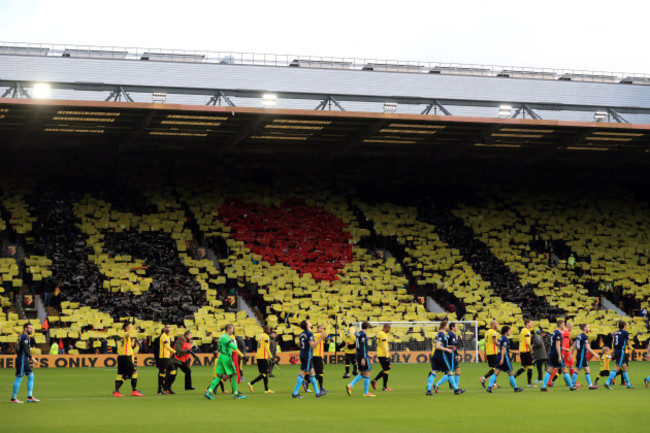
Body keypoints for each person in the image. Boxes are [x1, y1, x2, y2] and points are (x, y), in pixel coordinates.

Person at [204, 324, 247, 399]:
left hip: (220, 356)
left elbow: (218, 347)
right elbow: (234, 347)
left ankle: (209, 391)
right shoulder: (227, 338)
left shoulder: (221, 337)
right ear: (229, 329)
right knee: (234, 374)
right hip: (226, 357)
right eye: (232, 329)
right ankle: (236, 394)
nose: (233, 330)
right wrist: (233, 342)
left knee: (219, 376)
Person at [425, 320, 465, 396]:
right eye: (447, 325)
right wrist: (447, 349)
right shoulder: (441, 335)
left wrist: (449, 346)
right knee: (450, 372)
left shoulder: (441, 334)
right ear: (444, 326)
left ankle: (428, 390)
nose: (448, 327)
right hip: (441, 356)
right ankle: (456, 390)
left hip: (435, 356)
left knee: (433, 373)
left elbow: (442, 345)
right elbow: (438, 346)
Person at [292, 320, 328, 398]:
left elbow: (298, 344)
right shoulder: (309, 333)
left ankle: (318, 392)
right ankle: (295, 393)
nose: (309, 322)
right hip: (307, 355)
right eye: (308, 322)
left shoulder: (302, 334)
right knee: (303, 372)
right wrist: (321, 339)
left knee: (312, 373)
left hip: (303, 354)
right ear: (307, 325)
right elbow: (312, 345)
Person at [540, 319, 577, 392]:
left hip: (552, 353)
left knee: (550, 369)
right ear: (560, 325)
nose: (564, 326)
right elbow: (557, 345)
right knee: (564, 369)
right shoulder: (558, 334)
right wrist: (560, 356)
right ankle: (571, 386)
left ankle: (543, 386)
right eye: (563, 324)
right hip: (557, 354)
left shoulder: (553, 332)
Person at [486, 325, 524, 393]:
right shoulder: (506, 339)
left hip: (498, 357)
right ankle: (516, 388)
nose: (510, 332)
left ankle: (489, 387)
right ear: (506, 332)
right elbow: (503, 349)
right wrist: (502, 359)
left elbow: (505, 349)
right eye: (509, 331)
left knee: (495, 373)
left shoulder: (501, 338)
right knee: (511, 373)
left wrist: (515, 352)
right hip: (504, 359)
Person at [346, 321, 378, 397]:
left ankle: (350, 385)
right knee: (368, 372)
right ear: (367, 327)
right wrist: (364, 357)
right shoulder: (363, 335)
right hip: (362, 356)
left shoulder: (358, 334)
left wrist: (366, 354)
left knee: (363, 373)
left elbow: (359, 346)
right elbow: (362, 346)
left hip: (359, 355)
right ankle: (365, 392)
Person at [11, 323, 39, 403]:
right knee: (19, 378)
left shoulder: (23, 337)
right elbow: (26, 350)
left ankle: (30, 397)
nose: (31, 329)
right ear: (25, 329)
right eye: (30, 328)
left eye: (31, 328)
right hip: (22, 360)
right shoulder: (24, 337)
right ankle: (13, 398)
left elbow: (18, 349)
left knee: (31, 376)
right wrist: (33, 359)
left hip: (24, 360)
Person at [113, 322, 143, 397]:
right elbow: (127, 334)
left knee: (121, 374)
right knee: (134, 372)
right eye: (129, 327)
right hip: (125, 356)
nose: (130, 328)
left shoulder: (122, 335)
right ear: (126, 328)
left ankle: (116, 392)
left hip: (121, 356)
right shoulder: (125, 334)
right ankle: (134, 391)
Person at [604, 320, 634, 389]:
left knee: (625, 367)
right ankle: (607, 382)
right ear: (624, 326)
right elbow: (628, 343)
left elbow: (614, 343)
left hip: (617, 350)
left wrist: (613, 351)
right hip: (621, 351)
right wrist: (632, 349)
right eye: (626, 326)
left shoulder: (616, 333)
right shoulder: (625, 332)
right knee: (617, 367)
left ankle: (628, 384)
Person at [303, 321, 330, 394]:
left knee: (316, 373)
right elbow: (326, 334)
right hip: (318, 356)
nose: (322, 329)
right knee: (320, 373)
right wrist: (329, 325)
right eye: (321, 328)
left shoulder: (313, 335)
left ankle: (321, 387)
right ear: (317, 329)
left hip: (314, 356)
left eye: (323, 328)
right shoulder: (319, 335)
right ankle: (307, 382)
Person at [571, 324, 600, 390]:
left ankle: (590, 385)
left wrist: (571, 354)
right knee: (577, 370)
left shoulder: (579, 336)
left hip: (580, 355)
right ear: (584, 328)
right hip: (581, 355)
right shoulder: (584, 336)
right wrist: (595, 354)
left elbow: (574, 345)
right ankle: (572, 385)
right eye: (588, 327)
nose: (589, 328)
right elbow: (588, 348)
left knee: (587, 369)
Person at [248, 326, 275, 394]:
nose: (269, 330)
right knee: (265, 373)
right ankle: (251, 383)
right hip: (263, 357)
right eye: (268, 329)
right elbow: (266, 347)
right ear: (265, 330)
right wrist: (271, 356)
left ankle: (266, 389)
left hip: (259, 356)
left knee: (264, 373)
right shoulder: (266, 337)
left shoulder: (260, 336)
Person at [549, 322, 574, 387]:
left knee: (558, 368)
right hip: (564, 352)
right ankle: (573, 383)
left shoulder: (559, 332)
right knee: (569, 367)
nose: (572, 328)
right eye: (572, 327)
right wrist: (563, 352)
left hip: (558, 351)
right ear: (569, 326)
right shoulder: (566, 332)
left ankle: (549, 381)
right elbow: (563, 344)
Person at [372, 323, 393, 392]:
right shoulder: (384, 335)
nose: (389, 331)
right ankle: (384, 387)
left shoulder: (379, 333)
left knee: (385, 369)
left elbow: (378, 342)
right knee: (387, 369)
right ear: (386, 328)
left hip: (379, 353)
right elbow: (384, 345)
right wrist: (387, 356)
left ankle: (375, 381)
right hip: (383, 354)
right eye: (388, 329)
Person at [514, 317, 535, 387]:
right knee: (530, 366)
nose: (532, 324)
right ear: (527, 324)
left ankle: (514, 376)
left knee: (525, 367)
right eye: (531, 323)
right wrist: (531, 349)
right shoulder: (527, 331)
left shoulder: (522, 330)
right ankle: (529, 383)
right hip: (526, 351)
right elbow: (527, 342)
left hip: (522, 351)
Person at [479, 320, 500, 388]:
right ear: (493, 324)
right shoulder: (493, 332)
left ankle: (494, 384)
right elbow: (495, 342)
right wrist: (501, 345)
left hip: (488, 352)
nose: (497, 325)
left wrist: (485, 354)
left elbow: (485, 343)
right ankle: (484, 378)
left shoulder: (486, 332)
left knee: (493, 368)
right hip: (493, 352)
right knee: (496, 369)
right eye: (496, 324)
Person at [157, 324, 176, 395]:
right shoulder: (164, 336)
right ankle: (159, 390)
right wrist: (174, 352)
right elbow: (167, 346)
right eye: (167, 327)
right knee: (162, 373)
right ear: (164, 328)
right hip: (163, 357)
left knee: (173, 371)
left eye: (169, 327)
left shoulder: (168, 336)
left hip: (167, 357)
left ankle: (167, 387)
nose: (168, 328)